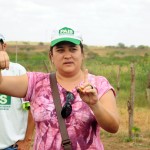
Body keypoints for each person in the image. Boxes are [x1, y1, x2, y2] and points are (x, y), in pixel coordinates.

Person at [0, 27, 120, 150]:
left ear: (82, 54)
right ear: (51, 55)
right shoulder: (35, 82)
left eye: (73, 49)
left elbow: (113, 127)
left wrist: (95, 105)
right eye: (60, 50)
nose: (67, 55)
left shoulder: (99, 84)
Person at [0, 34, 35, 150]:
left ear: (4, 46)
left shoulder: (17, 71)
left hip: (11, 146)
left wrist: (27, 140)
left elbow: (30, 108)